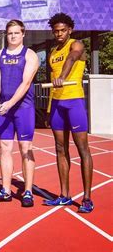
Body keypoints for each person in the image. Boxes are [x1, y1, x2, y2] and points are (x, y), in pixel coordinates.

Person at [43, 12, 93, 213]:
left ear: (69, 30)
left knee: (83, 149)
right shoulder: (52, 52)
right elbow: (54, 82)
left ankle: (87, 198)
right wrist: (48, 110)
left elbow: (72, 58)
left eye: (63, 30)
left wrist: (63, 76)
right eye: (56, 31)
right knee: (60, 149)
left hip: (74, 102)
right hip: (56, 104)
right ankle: (64, 195)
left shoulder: (77, 45)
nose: (59, 34)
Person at [0, 19, 39, 207]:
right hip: (4, 108)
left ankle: (27, 191)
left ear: (23, 34)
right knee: (4, 148)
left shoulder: (31, 55)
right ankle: (6, 190)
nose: (13, 36)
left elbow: (26, 83)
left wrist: (10, 103)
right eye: (10, 33)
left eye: (17, 33)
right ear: (6, 34)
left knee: (26, 148)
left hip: (23, 108)